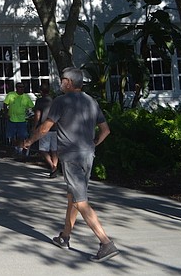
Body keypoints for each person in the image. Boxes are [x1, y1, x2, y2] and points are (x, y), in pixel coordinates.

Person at [23, 67, 120, 262]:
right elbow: (105, 130)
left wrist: (29, 141)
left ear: (68, 82)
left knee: (80, 201)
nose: (60, 84)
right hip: (88, 155)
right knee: (73, 197)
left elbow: (44, 128)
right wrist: (93, 144)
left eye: (61, 80)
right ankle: (64, 237)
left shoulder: (61, 101)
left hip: (71, 157)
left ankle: (106, 243)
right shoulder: (91, 101)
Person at [33, 80, 59, 177]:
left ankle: (53, 166)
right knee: (54, 149)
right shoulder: (54, 100)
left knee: (43, 150)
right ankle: (55, 166)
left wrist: (34, 127)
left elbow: (38, 115)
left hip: (44, 127)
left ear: (41, 91)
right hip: (55, 127)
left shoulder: (40, 101)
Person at [4, 82, 34, 157]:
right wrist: (6, 113)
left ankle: (19, 151)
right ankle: (15, 148)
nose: (21, 88)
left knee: (22, 136)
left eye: (23, 87)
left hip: (22, 120)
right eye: (20, 87)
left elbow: (31, 107)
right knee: (12, 136)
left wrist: (31, 114)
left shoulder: (26, 97)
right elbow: (5, 104)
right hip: (12, 119)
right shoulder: (11, 95)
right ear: (16, 88)